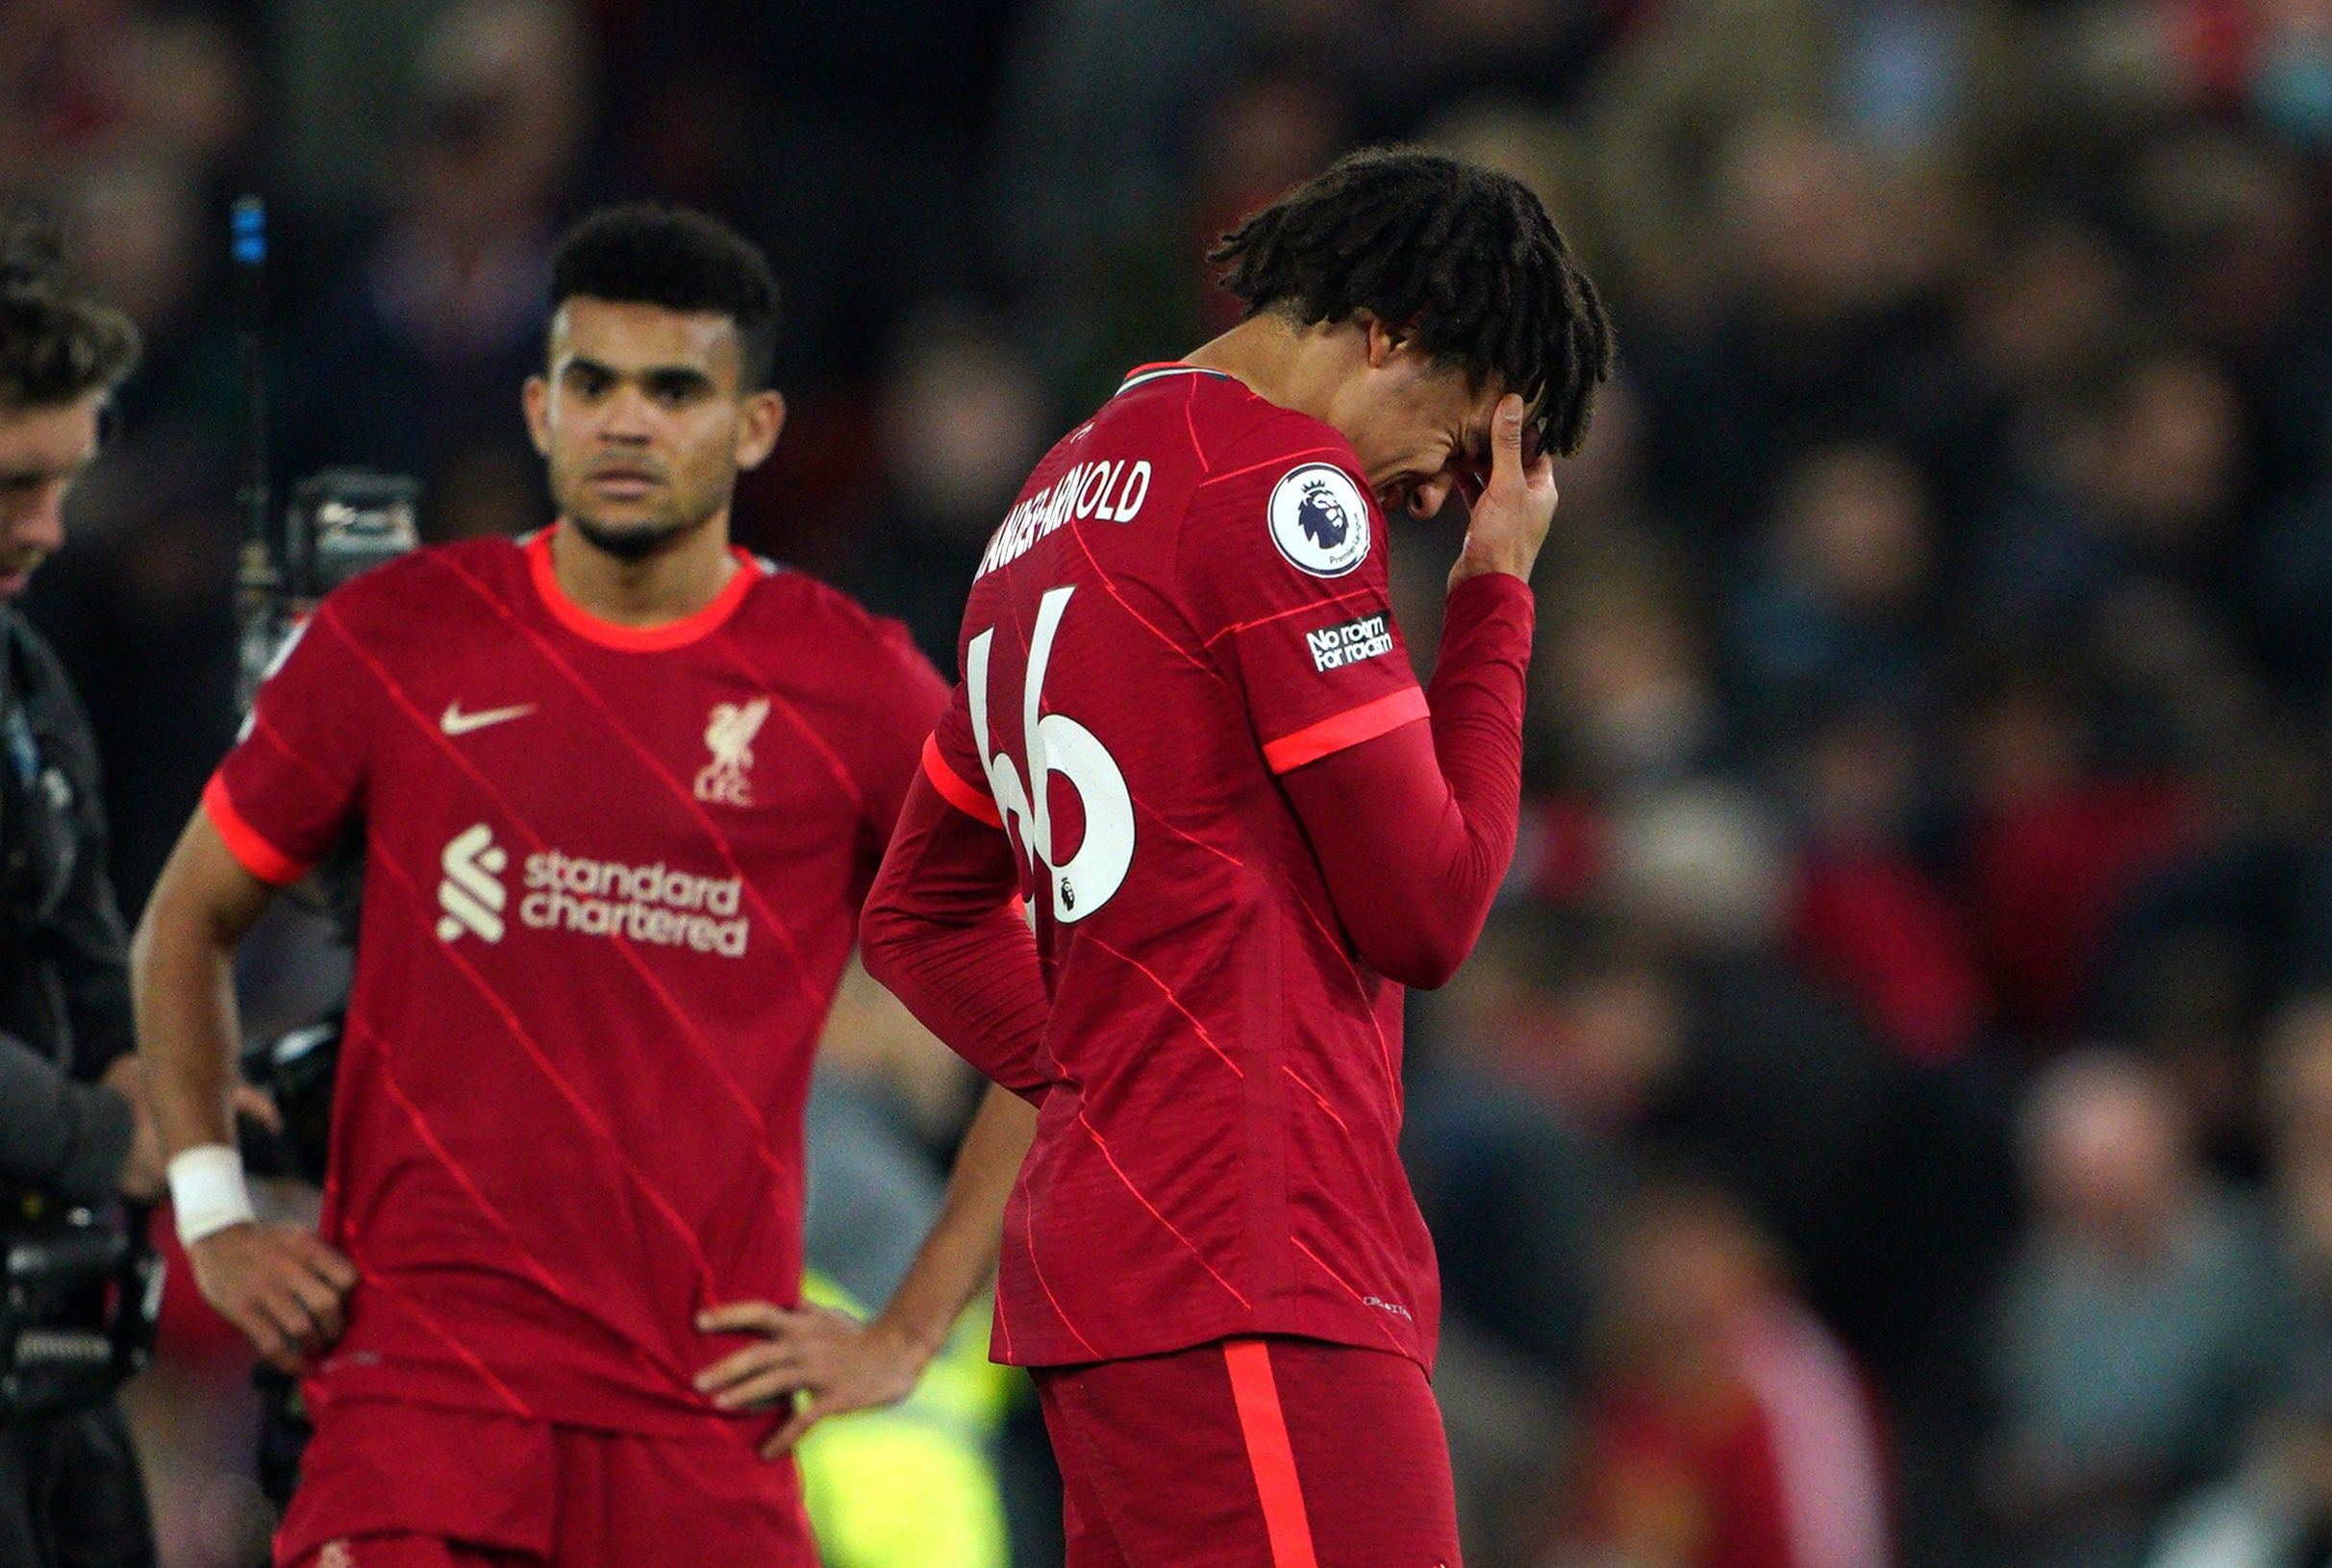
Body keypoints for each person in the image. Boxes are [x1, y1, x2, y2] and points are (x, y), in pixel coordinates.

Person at [131, 203, 1035, 1568]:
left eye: (674, 389)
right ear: (539, 407)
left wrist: (913, 1326)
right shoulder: (396, 640)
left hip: (701, 1427)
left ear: (756, 427)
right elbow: (185, 923)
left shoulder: (852, 687)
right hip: (420, 1403)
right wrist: (212, 1217)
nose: (627, 421)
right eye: (594, 384)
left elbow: (1046, 1020)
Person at [858, 148, 1615, 1565]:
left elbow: (918, 913)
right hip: (1250, 1252)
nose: (1448, 494)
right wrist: (1497, 597)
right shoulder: (1276, 490)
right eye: (1461, 441)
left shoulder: (1050, 502)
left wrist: (1103, 1070)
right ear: (1385, 335)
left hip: (1123, 1265)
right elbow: (1433, 910)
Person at [0, 201, 164, 1568]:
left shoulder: (26, 677)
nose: (50, 529)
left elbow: (84, 938)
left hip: (48, 1347)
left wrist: (133, 1066)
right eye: (12, 484)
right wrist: (106, 1138)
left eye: (68, 478)